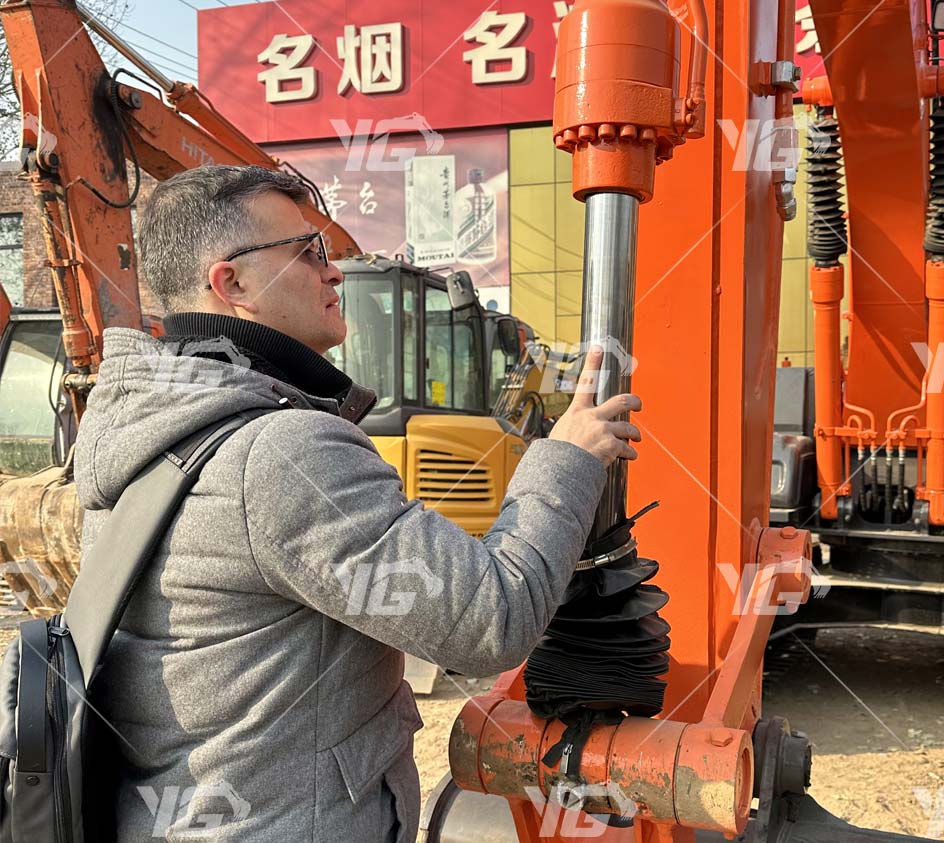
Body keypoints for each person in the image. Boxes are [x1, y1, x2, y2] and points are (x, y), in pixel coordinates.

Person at [73, 164, 641, 841]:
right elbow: (493, 617)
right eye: (308, 252)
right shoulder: (281, 454)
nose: (334, 271)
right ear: (233, 282)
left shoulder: (141, 436)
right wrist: (568, 457)